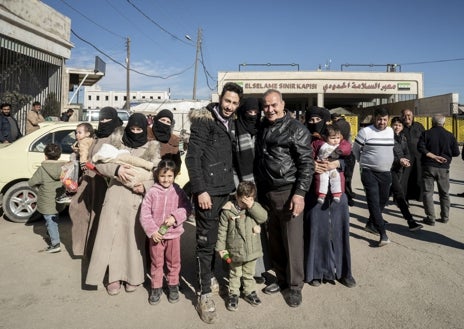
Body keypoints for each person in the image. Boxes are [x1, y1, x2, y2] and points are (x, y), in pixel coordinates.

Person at [185, 82, 242, 324]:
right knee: (205, 242)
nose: (229, 106)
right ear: (220, 98)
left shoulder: (231, 123)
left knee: (222, 240)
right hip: (208, 192)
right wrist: (200, 190)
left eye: (234, 103)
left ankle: (211, 277)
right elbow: (192, 157)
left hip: (227, 191)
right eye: (227, 101)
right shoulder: (205, 120)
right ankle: (204, 292)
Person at [85, 113, 161, 295]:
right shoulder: (116, 142)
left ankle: (133, 277)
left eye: (139, 129)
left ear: (144, 129)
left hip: (137, 199)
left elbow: (158, 174)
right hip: (115, 195)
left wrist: (145, 186)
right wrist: (117, 170)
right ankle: (113, 277)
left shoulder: (152, 147)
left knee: (133, 239)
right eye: (132, 129)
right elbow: (100, 163)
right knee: (111, 238)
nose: (135, 132)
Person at [254, 89, 313, 308]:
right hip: (266, 191)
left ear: (283, 104)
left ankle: (295, 285)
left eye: (273, 105)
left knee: (292, 240)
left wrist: (299, 193)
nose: (269, 109)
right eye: (266, 106)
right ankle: (280, 278)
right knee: (275, 240)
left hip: (288, 192)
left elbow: (306, 164)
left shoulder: (296, 129)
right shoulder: (262, 127)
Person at [304, 106, 356, 289]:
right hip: (314, 192)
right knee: (316, 232)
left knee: (339, 232)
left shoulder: (338, 138)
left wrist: (338, 162)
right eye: (310, 120)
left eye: (317, 120)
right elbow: (298, 160)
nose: (314, 124)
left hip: (337, 191)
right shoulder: (304, 137)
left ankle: (343, 272)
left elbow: (351, 160)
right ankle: (316, 272)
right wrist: (312, 166)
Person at [69, 107, 123, 258]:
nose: (104, 122)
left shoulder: (118, 136)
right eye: (102, 119)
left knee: (101, 218)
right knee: (78, 211)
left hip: (106, 182)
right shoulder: (96, 136)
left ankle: (100, 254)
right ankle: (83, 249)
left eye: (107, 119)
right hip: (88, 181)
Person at [139, 159, 192, 305]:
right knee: (157, 262)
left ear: (174, 175)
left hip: (173, 235)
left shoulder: (178, 191)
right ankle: (156, 287)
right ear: (157, 175)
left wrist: (175, 217)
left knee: (174, 262)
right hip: (156, 236)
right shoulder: (152, 192)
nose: (166, 179)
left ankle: (173, 285)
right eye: (163, 176)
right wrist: (152, 231)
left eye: (169, 176)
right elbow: (145, 214)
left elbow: (187, 208)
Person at [232, 96, 269, 284]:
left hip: (262, 184)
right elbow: (231, 161)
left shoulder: (262, 127)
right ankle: (237, 271)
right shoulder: (235, 127)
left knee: (258, 228)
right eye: (249, 112)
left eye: (256, 112)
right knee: (241, 230)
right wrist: (240, 190)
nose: (253, 115)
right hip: (243, 187)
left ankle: (258, 270)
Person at [216, 181, 268, 311]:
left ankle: (249, 292)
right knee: (235, 273)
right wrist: (221, 248)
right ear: (237, 197)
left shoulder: (254, 208)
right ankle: (233, 294)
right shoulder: (228, 211)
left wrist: (252, 206)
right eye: (244, 200)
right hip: (235, 250)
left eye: (250, 199)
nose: (247, 203)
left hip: (251, 249)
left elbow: (263, 217)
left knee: (249, 273)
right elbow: (222, 230)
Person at [353, 107, 394, 247]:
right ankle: (383, 234)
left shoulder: (391, 131)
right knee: (373, 202)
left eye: (384, 119)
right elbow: (355, 150)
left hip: (386, 173)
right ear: (374, 118)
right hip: (369, 172)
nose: (382, 122)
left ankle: (371, 224)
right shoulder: (365, 131)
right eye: (379, 119)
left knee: (383, 200)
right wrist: (363, 163)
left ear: (387, 119)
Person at [418, 114, 460, 226]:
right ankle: (445, 217)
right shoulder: (450, 135)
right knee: (444, 193)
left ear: (432, 122)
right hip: (444, 168)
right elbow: (456, 153)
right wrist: (445, 155)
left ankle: (430, 218)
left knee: (427, 193)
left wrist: (433, 156)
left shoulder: (426, 134)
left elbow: (420, 148)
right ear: (444, 123)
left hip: (428, 166)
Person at [28, 143, 66, 253]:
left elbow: (31, 183)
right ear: (59, 156)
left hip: (46, 200)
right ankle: (51, 233)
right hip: (59, 199)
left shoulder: (42, 169)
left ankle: (55, 244)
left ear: (45, 156)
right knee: (54, 218)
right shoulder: (64, 167)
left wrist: (39, 186)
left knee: (50, 221)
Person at [390, 117, 423, 231]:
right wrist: (399, 160)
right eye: (395, 125)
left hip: (399, 170)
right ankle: (411, 221)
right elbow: (387, 156)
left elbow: (407, 152)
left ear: (402, 127)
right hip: (389, 170)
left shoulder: (403, 138)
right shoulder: (388, 138)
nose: (397, 127)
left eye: (399, 125)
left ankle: (372, 221)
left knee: (384, 197)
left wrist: (406, 160)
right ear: (391, 125)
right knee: (399, 195)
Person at [57, 122, 96, 204]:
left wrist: (82, 163)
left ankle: (70, 193)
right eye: (76, 132)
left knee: (68, 178)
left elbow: (83, 153)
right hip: (87, 165)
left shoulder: (83, 142)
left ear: (87, 134)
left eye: (79, 133)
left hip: (81, 165)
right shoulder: (91, 140)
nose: (76, 135)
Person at [312, 124, 351, 204]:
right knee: (321, 179)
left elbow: (347, 148)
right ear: (326, 138)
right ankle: (321, 194)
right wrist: (312, 162)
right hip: (321, 166)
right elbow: (311, 151)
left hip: (335, 168)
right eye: (332, 138)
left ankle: (337, 194)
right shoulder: (319, 143)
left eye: (338, 138)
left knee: (337, 179)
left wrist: (337, 153)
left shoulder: (341, 144)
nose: (336, 140)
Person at [331, 113, 356, 206]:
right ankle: (349, 196)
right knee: (348, 178)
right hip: (349, 153)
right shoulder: (347, 124)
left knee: (341, 178)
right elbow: (350, 137)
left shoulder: (336, 126)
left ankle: (346, 197)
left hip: (340, 152)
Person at [401, 109, 425, 202]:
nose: (407, 117)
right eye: (404, 115)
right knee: (405, 179)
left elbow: (425, 140)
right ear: (401, 116)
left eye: (409, 115)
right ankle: (404, 199)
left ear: (413, 116)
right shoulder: (400, 126)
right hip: (405, 157)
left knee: (418, 178)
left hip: (418, 157)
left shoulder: (419, 126)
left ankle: (420, 198)